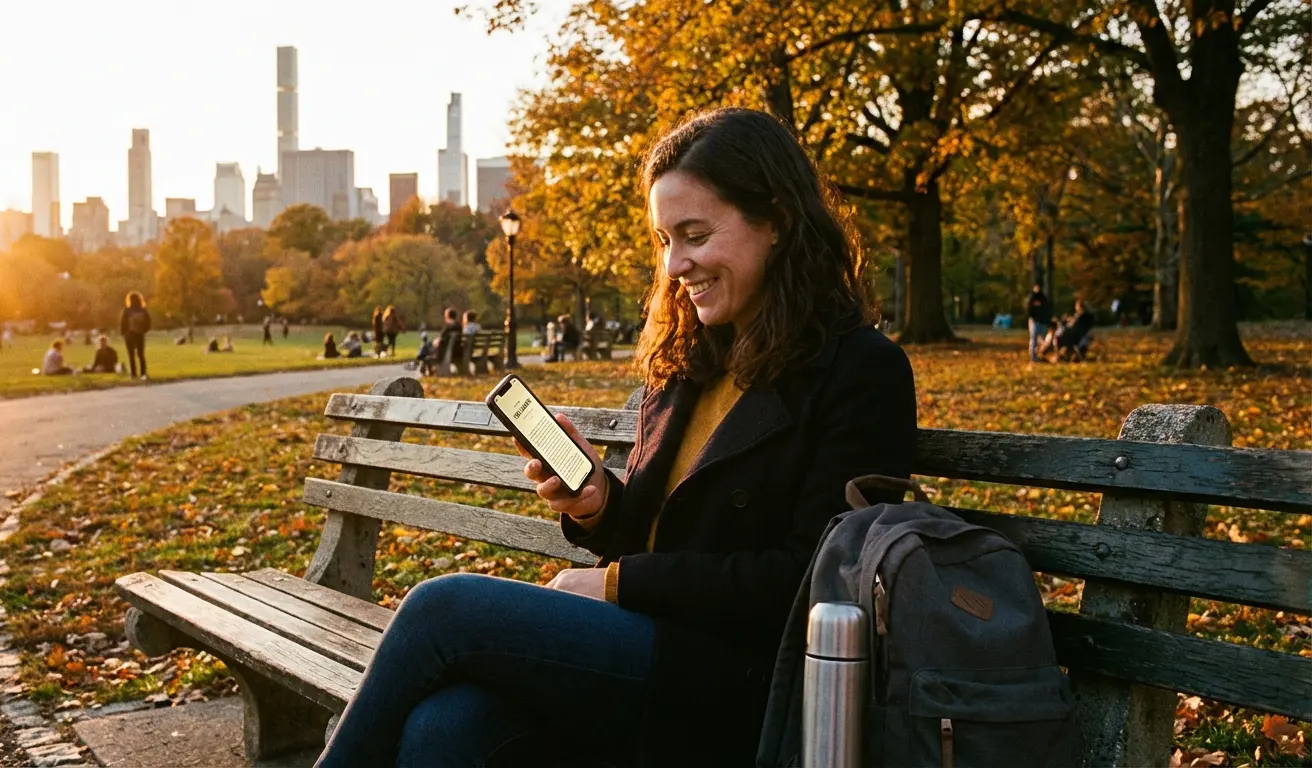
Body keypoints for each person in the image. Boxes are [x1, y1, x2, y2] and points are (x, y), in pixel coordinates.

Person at [317, 107, 917, 768]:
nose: (676, 264)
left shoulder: (859, 371)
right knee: (445, 727)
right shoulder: (691, 363)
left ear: (773, 219)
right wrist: (599, 504)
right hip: (646, 651)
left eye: (694, 234)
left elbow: (805, 582)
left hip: (746, 685)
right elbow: (662, 534)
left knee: (441, 609)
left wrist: (615, 586)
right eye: (664, 240)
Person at [119, 292, 151, 380]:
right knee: (141, 354)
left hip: (129, 334)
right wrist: (144, 330)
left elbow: (123, 323)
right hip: (140, 334)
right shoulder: (143, 310)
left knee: (131, 355)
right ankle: (143, 373)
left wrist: (123, 333)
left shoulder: (127, 310)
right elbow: (148, 322)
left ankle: (133, 374)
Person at [1026, 282, 1052, 363]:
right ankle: (1033, 357)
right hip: (1034, 321)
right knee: (1033, 338)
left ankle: (1039, 355)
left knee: (1042, 340)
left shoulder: (1043, 298)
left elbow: (1047, 310)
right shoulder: (1031, 298)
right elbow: (1029, 310)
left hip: (1042, 322)